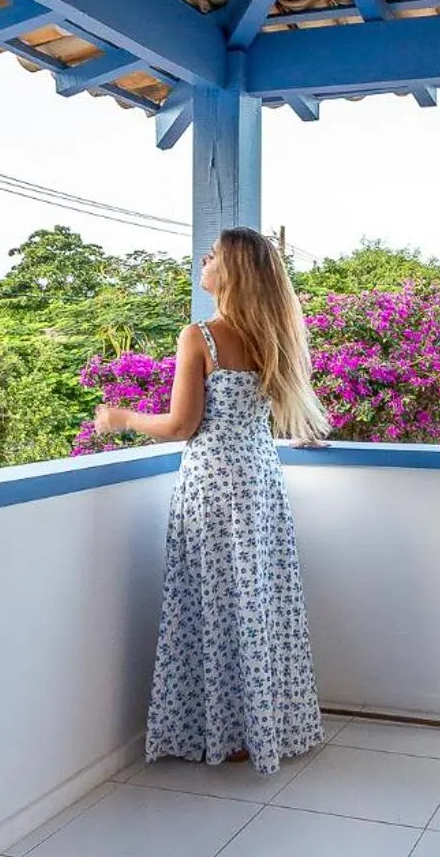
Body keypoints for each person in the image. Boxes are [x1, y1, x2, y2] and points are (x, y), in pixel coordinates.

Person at [93, 227, 328, 774]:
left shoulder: (202, 336)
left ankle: (223, 731)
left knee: (214, 606)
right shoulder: (274, 337)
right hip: (260, 483)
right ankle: (261, 727)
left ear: (232, 272)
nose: (204, 259)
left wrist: (121, 418)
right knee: (255, 604)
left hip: (214, 487)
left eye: (214, 255)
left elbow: (181, 426)